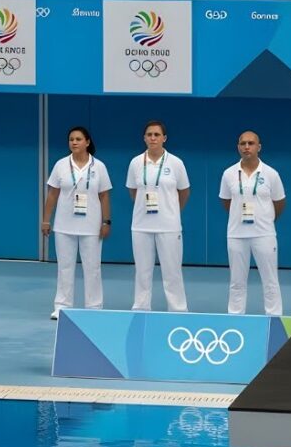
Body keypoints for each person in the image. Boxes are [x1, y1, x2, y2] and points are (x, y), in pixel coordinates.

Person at [42, 126, 112, 319]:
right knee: (65, 267)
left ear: (87, 142)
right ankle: (62, 306)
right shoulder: (61, 165)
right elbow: (52, 194)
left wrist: (106, 221)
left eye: (78, 139)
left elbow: (104, 196)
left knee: (93, 267)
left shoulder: (99, 167)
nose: (74, 142)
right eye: (71, 139)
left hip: (91, 225)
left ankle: (94, 306)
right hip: (64, 225)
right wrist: (46, 220)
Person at [218, 131, 286, 316]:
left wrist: (266, 220)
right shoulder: (229, 174)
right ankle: (235, 316)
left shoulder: (271, 174)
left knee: (270, 280)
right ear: (238, 147)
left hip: (264, 234)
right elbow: (226, 201)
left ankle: (274, 316)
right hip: (236, 234)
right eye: (243, 143)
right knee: (236, 281)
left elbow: (279, 202)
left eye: (251, 143)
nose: (247, 147)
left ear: (259, 147)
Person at [125, 121, 190, 312]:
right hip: (141, 225)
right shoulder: (136, 162)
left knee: (172, 271)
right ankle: (141, 307)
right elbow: (133, 191)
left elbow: (184, 191)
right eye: (149, 134)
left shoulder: (176, 163)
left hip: (169, 226)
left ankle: (178, 309)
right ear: (144, 138)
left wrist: (172, 211)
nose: (153, 138)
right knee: (142, 270)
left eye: (157, 134)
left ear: (164, 138)